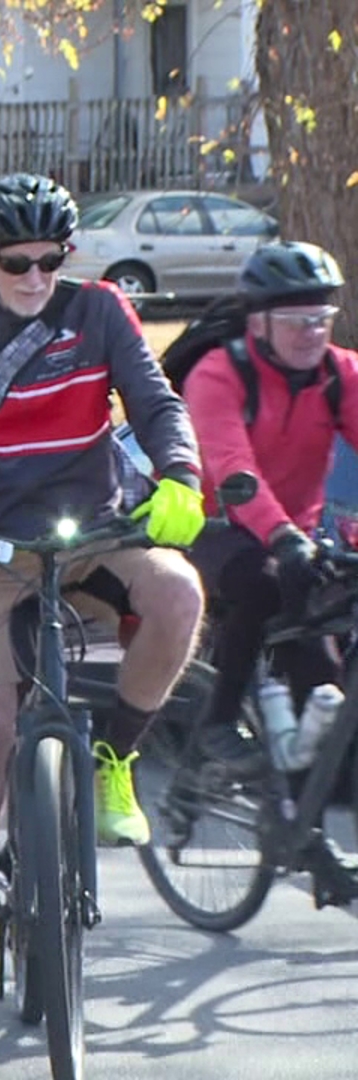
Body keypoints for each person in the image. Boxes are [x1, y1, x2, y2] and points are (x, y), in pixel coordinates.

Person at [0, 173, 209, 1005]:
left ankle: (111, 760)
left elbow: (156, 401)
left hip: (93, 528)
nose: (32, 278)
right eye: (15, 262)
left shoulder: (98, 312)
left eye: (48, 260)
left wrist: (181, 475)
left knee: (178, 596)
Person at [184, 242, 358, 777]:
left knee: (327, 704)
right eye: (295, 321)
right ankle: (218, 719)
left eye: (320, 319)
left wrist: (294, 539)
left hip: (298, 540)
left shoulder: (342, 374)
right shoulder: (217, 375)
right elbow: (235, 470)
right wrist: (282, 536)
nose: (311, 333)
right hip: (214, 528)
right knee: (262, 580)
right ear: (258, 322)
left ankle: (305, 832)